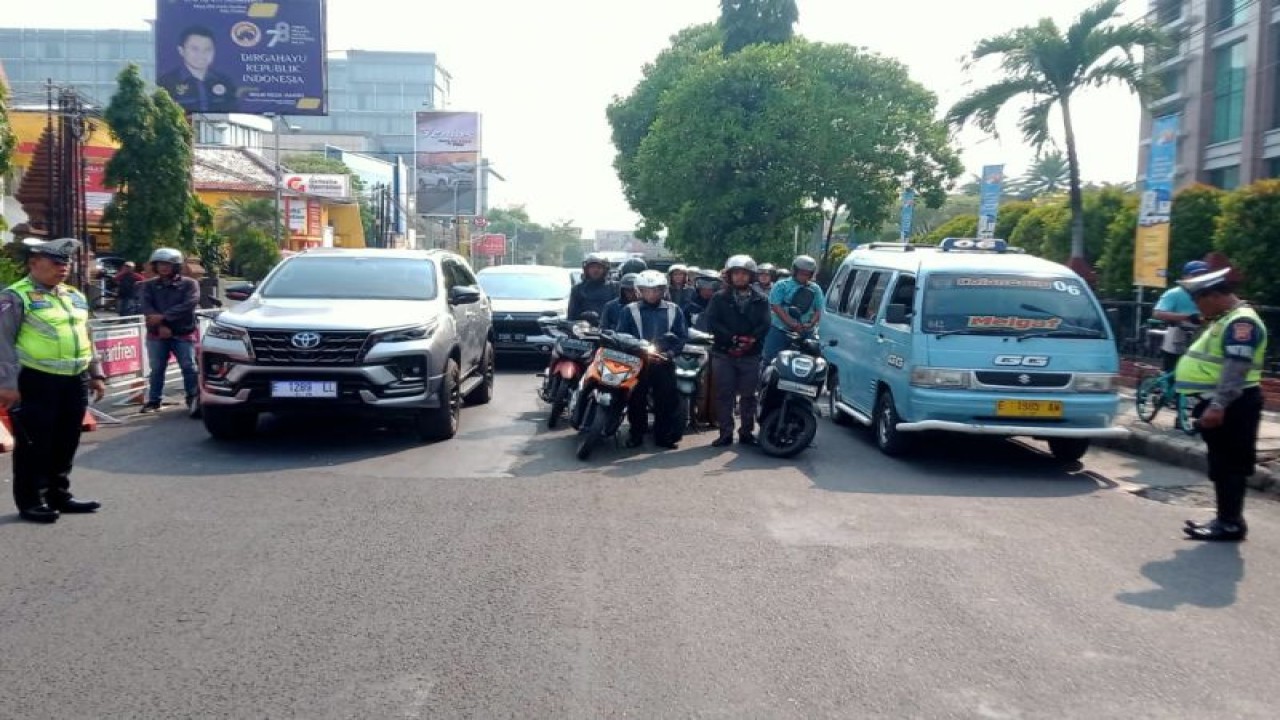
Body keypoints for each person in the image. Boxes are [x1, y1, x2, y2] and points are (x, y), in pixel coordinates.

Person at [0, 238, 107, 523]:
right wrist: (7, 384)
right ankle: (31, 500)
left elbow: (87, 335)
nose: (64, 268)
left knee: (66, 440)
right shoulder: (15, 296)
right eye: (57, 262)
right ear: (34, 263)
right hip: (35, 379)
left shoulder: (74, 295)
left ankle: (59, 494)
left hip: (74, 378)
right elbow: (3, 342)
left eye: (67, 262)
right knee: (35, 443)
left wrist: (96, 373)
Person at [1175, 268, 1269, 542]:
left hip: (1234, 404)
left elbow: (1235, 367)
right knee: (1221, 462)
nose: (1197, 306)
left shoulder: (1242, 323)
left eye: (1199, 300)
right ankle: (1224, 519)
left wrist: (1218, 405)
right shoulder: (1227, 319)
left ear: (1215, 296)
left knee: (1230, 464)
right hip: (1227, 403)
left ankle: (1230, 523)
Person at [616, 270, 688, 450]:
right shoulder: (629, 310)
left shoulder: (674, 309)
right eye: (647, 290)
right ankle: (636, 434)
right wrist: (636, 351)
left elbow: (681, 337)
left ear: (663, 290)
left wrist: (671, 354)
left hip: (664, 361)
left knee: (666, 401)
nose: (652, 294)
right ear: (639, 291)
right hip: (638, 362)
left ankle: (663, 436)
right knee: (636, 400)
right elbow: (621, 336)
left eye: (656, 290)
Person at [705, 255, 771, 447]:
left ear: (751, 276)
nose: (740, 277)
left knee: (749, 396)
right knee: (724, 394)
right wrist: (733, 339)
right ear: (729, 276)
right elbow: (713, 322)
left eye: (744, 274)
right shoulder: (719, 298)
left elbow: (765, 324)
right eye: (736, 273)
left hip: (751, 354)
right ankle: (725, 433)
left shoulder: (761, 299)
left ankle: (746, 432)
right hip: (724, 353)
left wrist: (751, 340)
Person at [140, 247, 200, 413]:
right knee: (157, 369)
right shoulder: (148, 286)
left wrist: (164, 318)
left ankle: (193, 398)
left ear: (176, 266)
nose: (163, 267)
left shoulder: (189, 284)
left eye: (167, 264)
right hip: (157, 334)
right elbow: (147, 307)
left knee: (189, 367)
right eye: (160, 264)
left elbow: (189, 305)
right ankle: (154, 400)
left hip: (183, 333)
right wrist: (160, 325)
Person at [157, 25, 238, 113]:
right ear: (181, 50)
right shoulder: (166, 83)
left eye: (207, 49)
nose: (201, 54)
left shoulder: (225, 82)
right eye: (194, 49)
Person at [763, 255, 826, 362]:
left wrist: (810, 323)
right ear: (794, 271)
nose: (804, 276)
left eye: (807, 274)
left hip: (805, 332)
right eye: (801, 273)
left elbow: (819, 309)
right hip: (780, 330)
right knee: (770, 360)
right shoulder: (781, 285)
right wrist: (791, 323)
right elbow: (776, 306)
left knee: (814, 361)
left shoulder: (815, 289)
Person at [1152, 260, 1209, 371]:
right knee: (1172, 368)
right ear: (1185, 276)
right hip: (1178, 333)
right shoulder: (1174, 293)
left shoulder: (1208, 293)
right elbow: (1157, 313)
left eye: (1203, 275)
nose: (1200, 278)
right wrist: (1187, 317)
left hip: (1202, 333)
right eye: (1196, 275)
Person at [566, 253, 618, 322]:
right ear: (586, 269)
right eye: (592, 267)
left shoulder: (614, 287)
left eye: (599, 267)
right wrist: (585, 316)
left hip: (610, 329)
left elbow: (620, 313)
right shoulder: (578, 289)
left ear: (605, 270)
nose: (595, 270)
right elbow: (571, 316)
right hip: (583, 329)